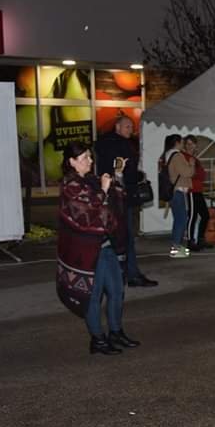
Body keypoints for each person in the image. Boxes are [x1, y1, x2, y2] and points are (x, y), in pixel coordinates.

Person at [56, 141, 139, 355]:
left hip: (106, 245)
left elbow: (117, 197)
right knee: (93, 297)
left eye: (89, 157)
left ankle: (115, 332)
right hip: (87, 250)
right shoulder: (69, 185)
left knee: (117, 291)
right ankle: (98, 339)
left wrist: (117, 175)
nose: (90, 161)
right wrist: (103, 189)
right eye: (84, 158)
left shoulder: (90, 180)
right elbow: (88, 212)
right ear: (71, 162)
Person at [94, 115, 157, 287]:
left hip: (109, 195)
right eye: (128, 126)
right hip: (121, 196)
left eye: (132, 126)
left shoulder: (104, 144)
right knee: (125, 236)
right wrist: (138, 176)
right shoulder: (120, 145)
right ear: (118, 127)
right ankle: (130, 274)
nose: (131, 129)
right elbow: (124, 171)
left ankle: (117, 274)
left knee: (114, 237)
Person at [166, 135, 194, 258]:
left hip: (173, 190)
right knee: (181, 219)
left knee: (178, 219)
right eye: (182, 142)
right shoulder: (177, 156)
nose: (184, 144)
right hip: (178, 191)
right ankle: (176, 248)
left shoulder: (167, 155)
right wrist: (191, 164)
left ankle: (176, 246)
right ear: (177, 142)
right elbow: (186, 172)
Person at [183, 136, 211, 252]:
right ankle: (190, 241)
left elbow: (201, 175)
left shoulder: (194, 158)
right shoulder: (185, 157)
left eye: (192, 144)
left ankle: (200, 239)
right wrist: (194, 169)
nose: (190, 146)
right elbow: (190, 174)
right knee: (193, 216)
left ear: (195, 145)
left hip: (198, 190)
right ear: (185, 145)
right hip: (191, 190)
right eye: (188, 144)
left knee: (205, 215)